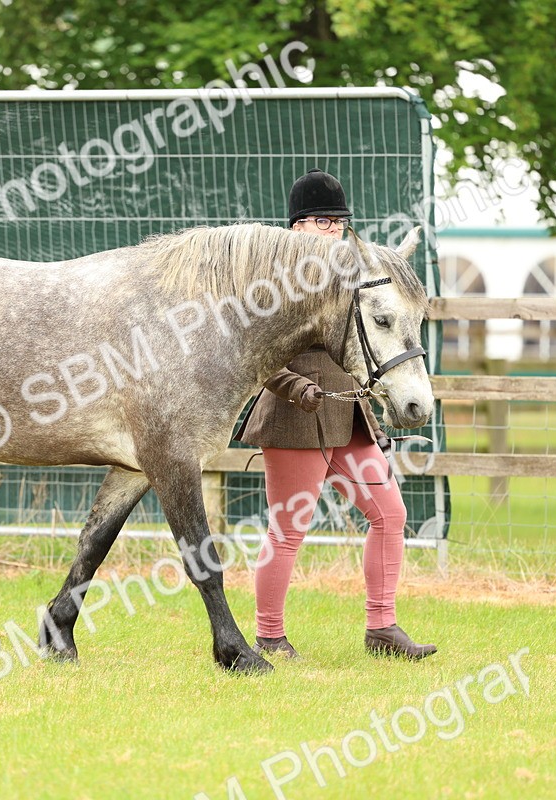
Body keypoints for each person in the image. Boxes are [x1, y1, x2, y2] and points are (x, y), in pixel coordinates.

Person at [235, 169, 436, 660]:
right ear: (297, 226)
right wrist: (296, 386)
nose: (332, 231)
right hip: (295, 420)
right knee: (289, 531)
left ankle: (382, 628)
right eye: (321, 221)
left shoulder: (352, 273)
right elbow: (253, 354)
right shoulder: (273, 278)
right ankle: (270, 636)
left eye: (339, 222)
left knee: (390, 514)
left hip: (349, 419)